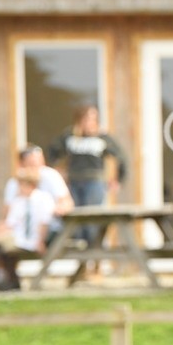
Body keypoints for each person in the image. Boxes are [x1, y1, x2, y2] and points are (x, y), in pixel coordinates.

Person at [46, 105, 127, 249]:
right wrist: (58, 171)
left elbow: (120, 157)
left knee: (92, 221)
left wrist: (118, 180)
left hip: (94, 182)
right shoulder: (70, 136)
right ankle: (82, 262)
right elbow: (52, 151)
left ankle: (95, 259)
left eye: (92, 119)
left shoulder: (102, 138)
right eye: (86, 119)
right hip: (73, 182)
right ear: (79, 120)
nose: (89, 122)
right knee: (75, 222)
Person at [0, 168, 55, 291]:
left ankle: (2, 281)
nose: (19, 189)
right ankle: (0, 280)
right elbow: (11, 223)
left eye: (22, 185)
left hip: (35, 240)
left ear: (31, 185)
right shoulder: (18, 201)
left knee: (3, 247)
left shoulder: (44, 199)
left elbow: (45, 222)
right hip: (20, 238)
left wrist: (41, 241)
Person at [3, 145, 73, 240]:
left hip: (48, 228)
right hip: (21, 230)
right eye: (32, 164)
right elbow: (9, 213)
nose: (37, 167)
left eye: (39, 163)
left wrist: (61, 208)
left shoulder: (50, 179)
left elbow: (66, 202)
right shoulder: (14, 184)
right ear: (22, 164)